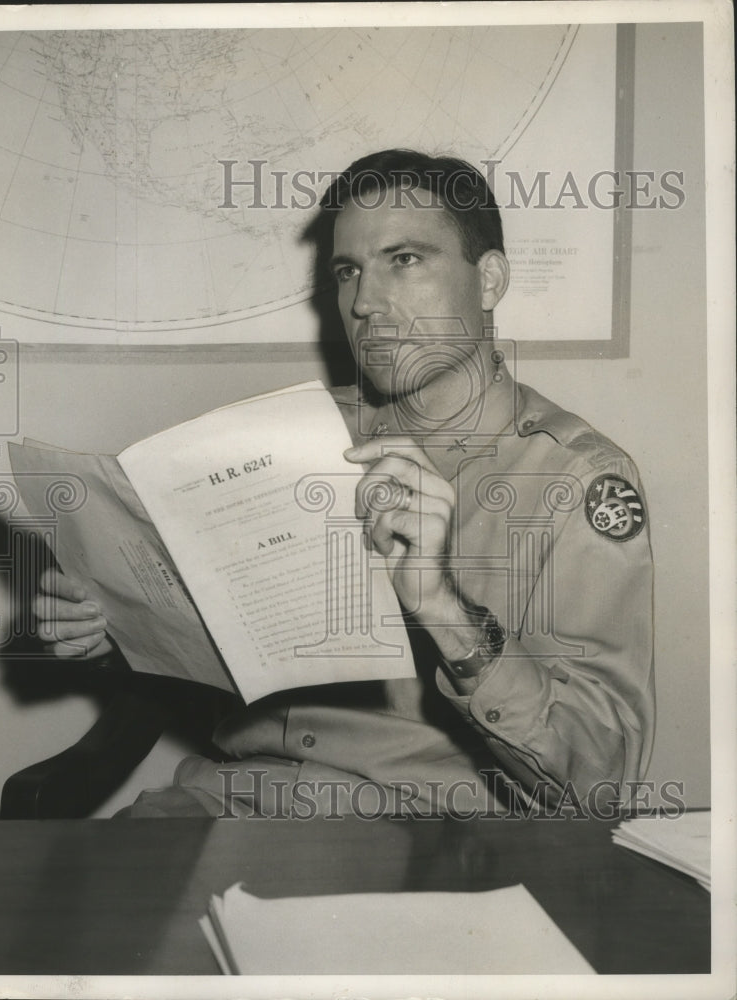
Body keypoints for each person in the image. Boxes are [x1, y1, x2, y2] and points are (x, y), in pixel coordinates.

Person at [33, 149, 655, 818]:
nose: (363, 302)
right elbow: (221, 644)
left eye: (405, 260)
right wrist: (113, 632)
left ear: (491, 279)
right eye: (349, 271)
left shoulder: (577, 478)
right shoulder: (290, 439)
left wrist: (442, 608)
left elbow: (600, 783)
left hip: (433, 835)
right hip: (233, 798)